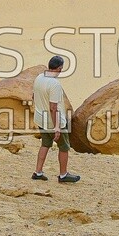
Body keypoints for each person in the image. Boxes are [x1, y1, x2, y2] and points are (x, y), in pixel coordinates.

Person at [31, 56, 79, 184]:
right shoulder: (55, 84)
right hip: (52, 121)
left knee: (45, 144)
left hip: (41, 119)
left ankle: (38, 172)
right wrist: (57, 127)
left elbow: (34, 96)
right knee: (64, 147)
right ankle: (63, 174)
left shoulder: (39, 77)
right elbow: (53, 108)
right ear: (59, 68)